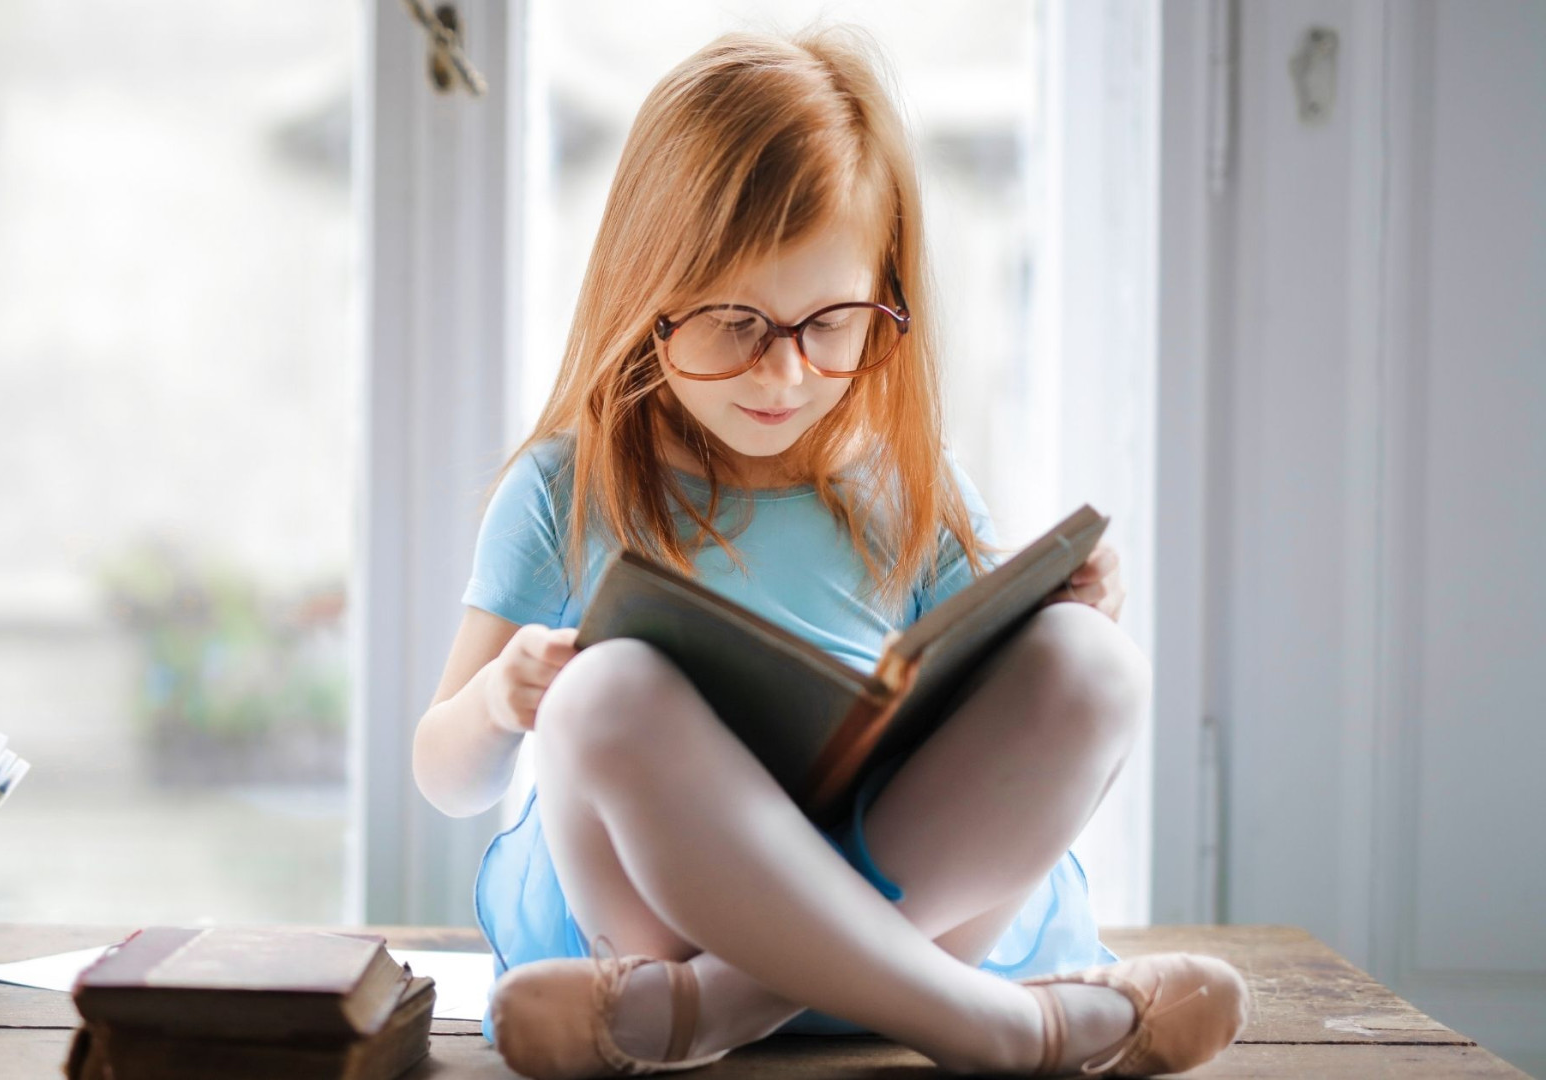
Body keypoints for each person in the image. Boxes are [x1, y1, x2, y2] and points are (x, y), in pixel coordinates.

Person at [411, 27, 1247, 1079]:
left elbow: (1000, 701)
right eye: (731, 323)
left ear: (883, 299)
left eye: (833, 324)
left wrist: (1072, 607)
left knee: (1094, 665)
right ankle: (1004, 1030)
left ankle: (717, 1009)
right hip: (654, 927)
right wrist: (500, 701)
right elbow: (443, 775)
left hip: (871, 922)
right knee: (600, 692)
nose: (786, 374)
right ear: (645, 293)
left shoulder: (906, 481)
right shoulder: (567, 487)